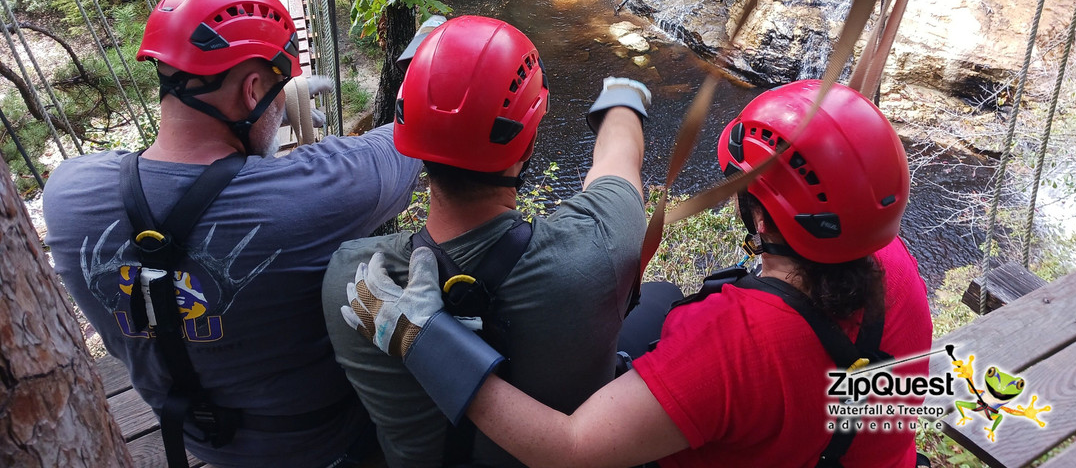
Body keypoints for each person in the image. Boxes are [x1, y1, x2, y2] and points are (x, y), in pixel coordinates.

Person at [341, 79, 934, 468]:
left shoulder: (731, 343)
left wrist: (425, 342)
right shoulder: (896, 267)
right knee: (659, 299)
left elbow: (570, 449)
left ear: (760, 213)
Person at [43, 0, 422, 468]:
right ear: (252, 89)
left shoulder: (68, 193)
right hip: (325, 445)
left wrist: (273, 104)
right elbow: (412, 133)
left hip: (196, 439)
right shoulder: (315, 194)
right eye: (277, 89)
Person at [323, 14, 652, 467]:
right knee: (658, 303)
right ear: (528, 144)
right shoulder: (598, 249)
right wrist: (622, 99)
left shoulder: (352, 279)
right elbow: (618, 163)